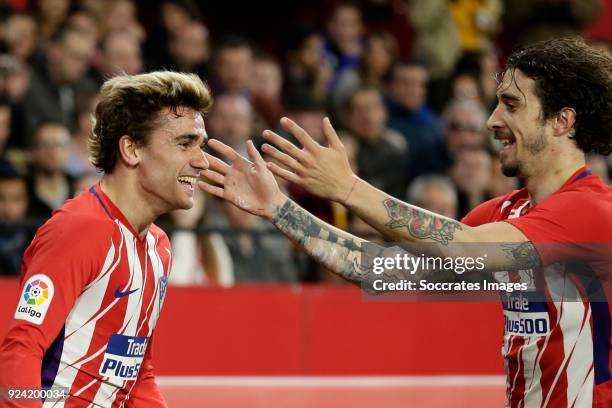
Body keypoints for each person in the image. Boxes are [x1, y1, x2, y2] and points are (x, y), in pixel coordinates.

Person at [199, 38, 612, 407]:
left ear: (563, 120)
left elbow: (462, 245)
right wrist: (278, 208)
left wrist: (347, 187)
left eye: (512, 104)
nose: (492, 120)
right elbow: (377, 271)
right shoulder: (503, 215)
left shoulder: (591, 213)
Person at [0, 71, 212, 407]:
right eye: (185, 143)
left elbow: (137, 375)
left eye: (200, 145)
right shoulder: (78, 229)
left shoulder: (159, 248)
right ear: (131, 149)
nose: (202, 162)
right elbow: (22, 348)